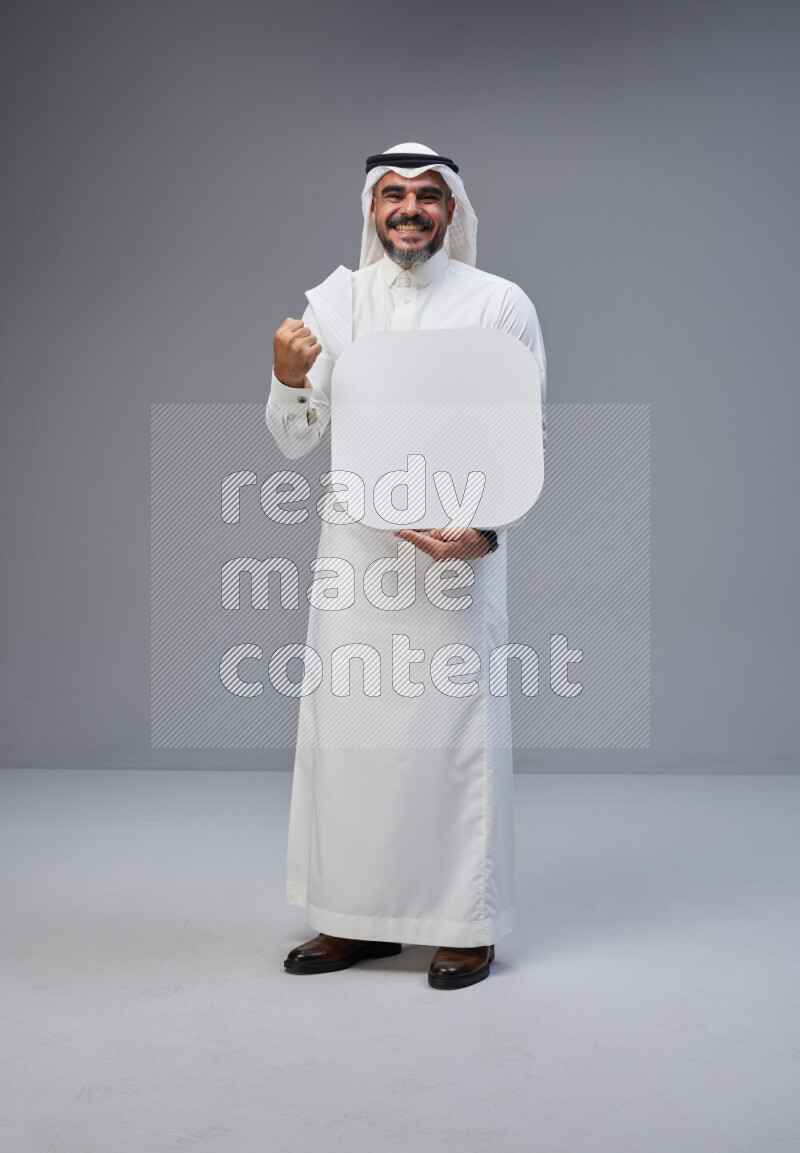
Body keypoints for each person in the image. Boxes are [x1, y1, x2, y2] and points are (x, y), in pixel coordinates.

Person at [266, 142, 546, 989]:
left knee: (453, 741)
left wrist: (484, 533)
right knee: (352, 742)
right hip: (357, 557)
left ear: (453, 210)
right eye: (395, 195)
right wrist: (287, 378)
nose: (411, 209)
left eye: (429, 195)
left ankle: (465, 922)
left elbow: (525, 436)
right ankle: (353, 920)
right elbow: (294, 439)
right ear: (371, 209)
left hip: (455, 559)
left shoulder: (500, 305)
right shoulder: (335, 303)